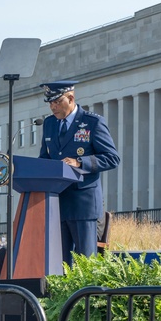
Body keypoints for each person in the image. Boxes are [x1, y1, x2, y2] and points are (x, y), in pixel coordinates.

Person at [38, 80, 120, 264]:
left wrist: (79, 162)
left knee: (86, 263)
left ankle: (87, 295)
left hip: (83, 204)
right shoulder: (50, 124)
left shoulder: (92, 122)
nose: (53, 107)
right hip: (57, 203)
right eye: (50, 103)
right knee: (59, 264)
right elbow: (44, 158)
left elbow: (112, 157)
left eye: (57, 102)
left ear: (71, 98)